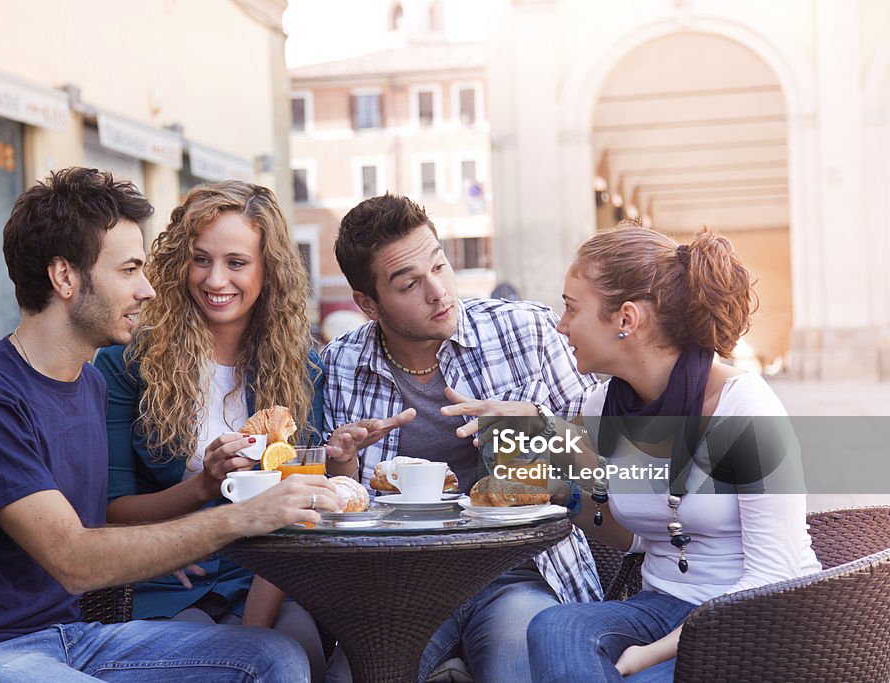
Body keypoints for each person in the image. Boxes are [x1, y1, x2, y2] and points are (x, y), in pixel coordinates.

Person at [0, 167, 339, 682]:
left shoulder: (88, 386)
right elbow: (75, 559)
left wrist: (175, 529)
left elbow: (104, 522)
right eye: (129, 270)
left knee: (275, 657)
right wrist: (243, 517)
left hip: (72, 637)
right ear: (65, 277)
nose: (149, 290)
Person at [322, 193, 601, 683]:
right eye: (410, 284)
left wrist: (539, 425)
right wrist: (342, 469)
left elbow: (623, 461)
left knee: (517, 664)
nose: (438, 292)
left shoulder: (526, 332)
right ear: (368, 304)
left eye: (440, 265)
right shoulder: (341, 366)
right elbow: (340, 513)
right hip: (401, 588)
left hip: (516, 574)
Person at [526, 223, 821, 681]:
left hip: (757, 616)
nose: (561, 326)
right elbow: (639, 537)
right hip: (659, 604)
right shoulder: (601, 407)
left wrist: (645, 657)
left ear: (626, 319)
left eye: (571, 308)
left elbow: (773, 575)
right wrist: (555, 488)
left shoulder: (743, 406)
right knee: (553, 626)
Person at [92, 180, 332, 681]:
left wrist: (252, 629)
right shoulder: (127, 364)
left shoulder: (301, 368)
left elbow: (294, 511)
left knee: (302, 646)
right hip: (166, 580)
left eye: (237, 262)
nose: (215, 278)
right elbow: (112, 509)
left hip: (266, 577)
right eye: (201, 259)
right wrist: (194, 498)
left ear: (270, 270)